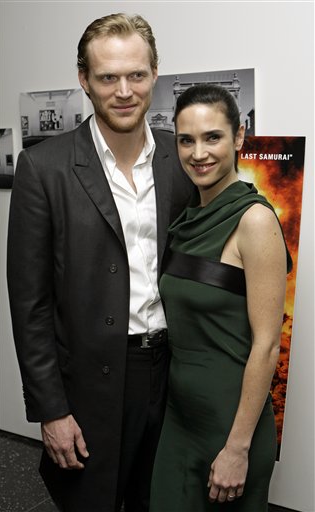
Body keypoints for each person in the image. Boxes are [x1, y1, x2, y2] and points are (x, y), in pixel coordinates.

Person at [7, 13, 193, 512]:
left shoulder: (181, 160)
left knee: (163, 499)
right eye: (108, 77)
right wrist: (51, 410)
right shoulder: (43, 169)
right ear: (85, 81)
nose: (124, 90)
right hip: (91, 381)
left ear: (156, 74)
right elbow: (30, 305)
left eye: (136, 74)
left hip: (172, 374)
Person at [149, 84, 292, 512]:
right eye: (186, 140)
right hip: (179, 418)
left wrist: (237, 448)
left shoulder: (255, 221)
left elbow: (267, 345)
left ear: (239, 136)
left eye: (213, 137)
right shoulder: (186, 216)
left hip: (231, 427)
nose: (198, 153)